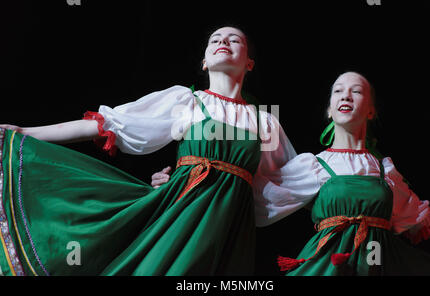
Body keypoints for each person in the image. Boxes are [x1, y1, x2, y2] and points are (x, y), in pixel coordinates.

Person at [0, 26, 297, 276]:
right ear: (205, 62)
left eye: (235, 39)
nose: (223, 42)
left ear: (249, 63)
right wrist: (26, 132)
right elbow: (111, 125)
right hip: (182, 213)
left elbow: (289, 181)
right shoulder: (187, 101)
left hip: (232, 227)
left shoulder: (265, 121)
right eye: (215, 39)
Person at [152, 71, 430, 275]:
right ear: (329, 111)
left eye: (356, 91)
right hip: (328, 266)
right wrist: (180, 184)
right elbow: (247, 192)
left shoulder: (384, 171)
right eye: (338, 91)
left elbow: (419, 217)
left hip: (381, 265)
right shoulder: (312, 166)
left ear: (371, 110)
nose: (346, 96)